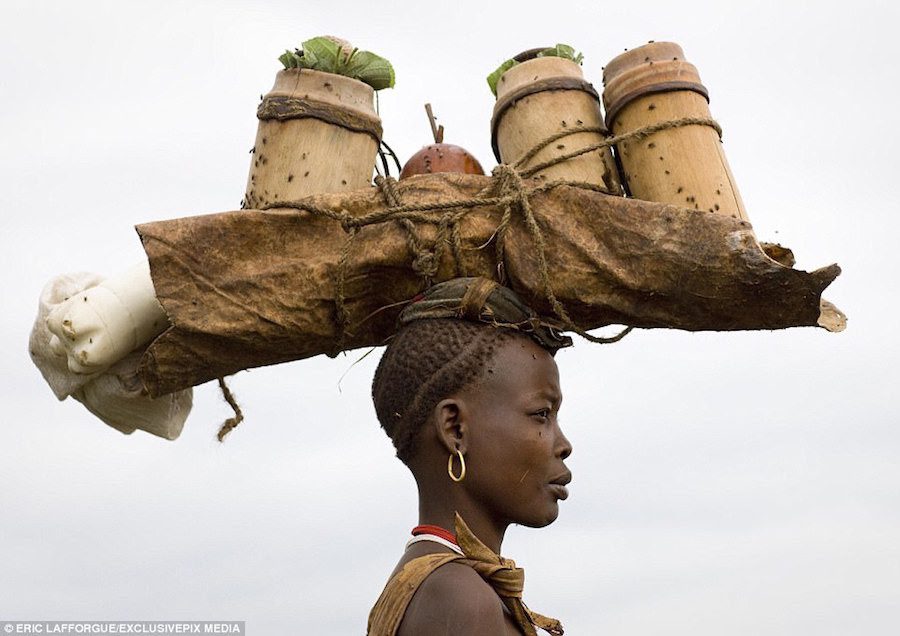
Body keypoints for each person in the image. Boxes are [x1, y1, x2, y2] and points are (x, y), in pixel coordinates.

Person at [367, 277, 573, 635]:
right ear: (455, 429)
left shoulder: (440, 584)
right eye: (542, 413)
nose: (563, 444)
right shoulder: (459, 598)